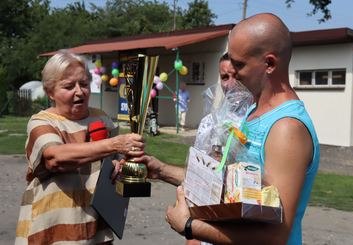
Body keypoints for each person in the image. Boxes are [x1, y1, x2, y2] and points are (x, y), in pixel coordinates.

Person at [135, 13, 319, 245]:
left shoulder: (286, 129)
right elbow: (230, 188)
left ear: (270, 64)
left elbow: (275, 237)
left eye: (239, 64)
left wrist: (190, 226)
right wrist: (160, 170)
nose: (232, 73)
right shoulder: (253, 110)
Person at [15, 50, 145, 244]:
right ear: (50, 91)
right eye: (69, 86)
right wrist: (114, 144)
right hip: (52, 225)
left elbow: (117, 160)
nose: (80, 91)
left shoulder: (102, 117)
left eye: (84, 84)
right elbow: (54, 158)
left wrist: (121, 165)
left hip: (95, 224)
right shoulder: (41, 121)